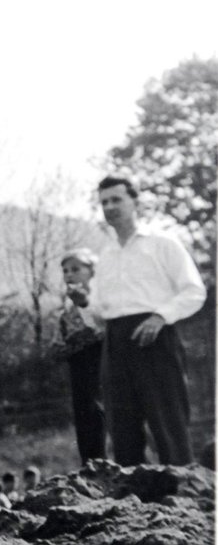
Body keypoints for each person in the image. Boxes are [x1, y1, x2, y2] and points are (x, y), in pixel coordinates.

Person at [70, 177, 206, 466]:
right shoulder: (106, 257)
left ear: (135, 202)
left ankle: (183, 497)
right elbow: (99, 315)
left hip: (155, 337)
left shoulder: (162, 244)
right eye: (104, 202)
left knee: (168, 424)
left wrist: (160, 317)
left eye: (116, 199)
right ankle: (136, 502)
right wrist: (83, 303)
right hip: (116, 344)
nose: (109, 207)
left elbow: (194, 290)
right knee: (122, 428)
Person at [51, 248, 107, 464]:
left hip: (103, 363)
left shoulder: (101, 299)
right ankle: (92, 465)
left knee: (102, 412)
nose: (69, 275)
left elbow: (102, 328)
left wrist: (84, 304)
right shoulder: (66, 310)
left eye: (76, 269)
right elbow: (59, 342)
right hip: (79, 368)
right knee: (84, 415)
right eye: (65, 271)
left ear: (91, 272)